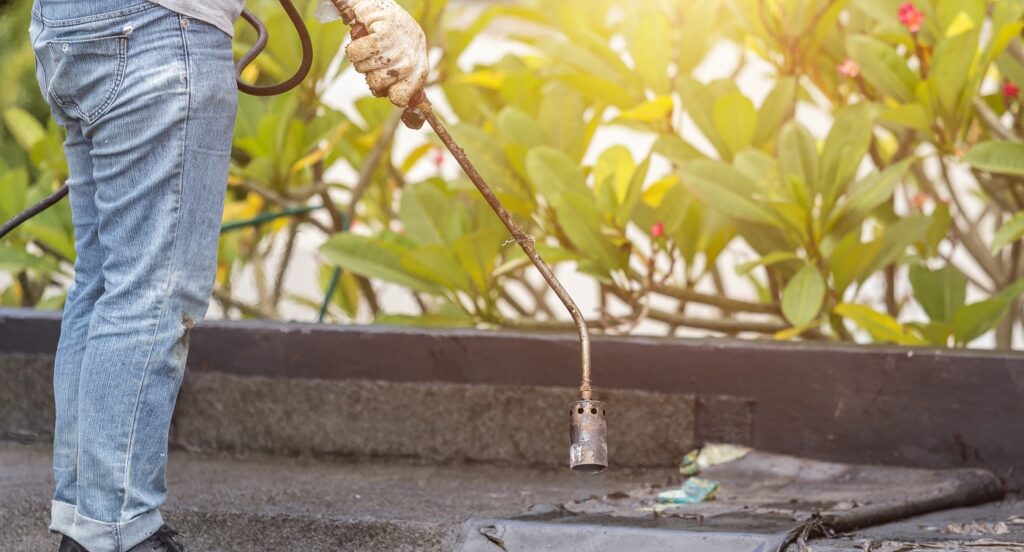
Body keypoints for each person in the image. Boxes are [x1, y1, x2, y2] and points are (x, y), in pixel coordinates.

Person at [28, 0, 428, 550]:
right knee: (153, 292)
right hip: (156, 27)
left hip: (71, 24)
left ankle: (87, 522)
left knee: (104, 284)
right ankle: (118, 534)